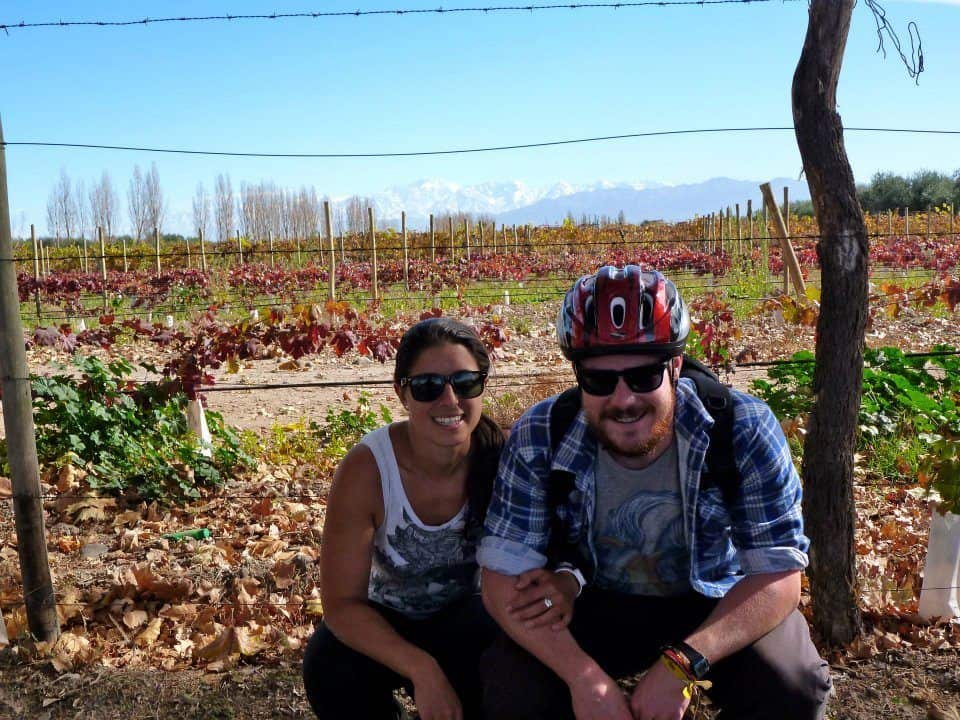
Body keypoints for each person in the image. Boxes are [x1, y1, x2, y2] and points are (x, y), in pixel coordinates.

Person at [477, 265, 833, 720]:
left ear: (676, 367)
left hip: (710, 600)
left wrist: (683, 663)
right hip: (590, 603)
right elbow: (501, 576)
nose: (623, 399)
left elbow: (779, 575)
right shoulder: (541, 433)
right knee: (512, 683)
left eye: (644, 377)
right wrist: (582, 677)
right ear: (577, 377)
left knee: (791, 683)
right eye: (599, 381)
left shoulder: (742, 427)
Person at [302, 317, 505, 720]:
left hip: (469, 621)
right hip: (385, 618)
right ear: (402, 392)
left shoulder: (503, 460)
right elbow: (342, 605)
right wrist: (423, 670)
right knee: (328, 665)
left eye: (465, 383)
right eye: (429, 386)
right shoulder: (369, 469)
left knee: (506, 667)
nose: (449, 400)